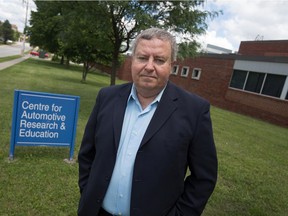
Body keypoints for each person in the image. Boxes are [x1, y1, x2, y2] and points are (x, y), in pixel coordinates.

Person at [77, 27, 217, 216]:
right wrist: (87, 191)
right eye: (142, 58)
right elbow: (87, 153)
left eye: (159, 60)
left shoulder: (194, 111)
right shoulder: (107, 97)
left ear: (171, 65)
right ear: (133, 59)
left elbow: (204, 178)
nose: (149, 66)